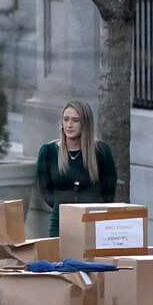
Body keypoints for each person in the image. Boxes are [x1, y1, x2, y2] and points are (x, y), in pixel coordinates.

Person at [36, 100, 117, 237]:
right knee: (59, 258)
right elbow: (45, 190)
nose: (69, 125)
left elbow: (109, 189)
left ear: (85, 124)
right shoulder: (49, 151)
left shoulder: (101, 151)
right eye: (66, 119)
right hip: (61, 222)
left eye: (75, 120)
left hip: (94, 220)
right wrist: (63, 206)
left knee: (89, 258)